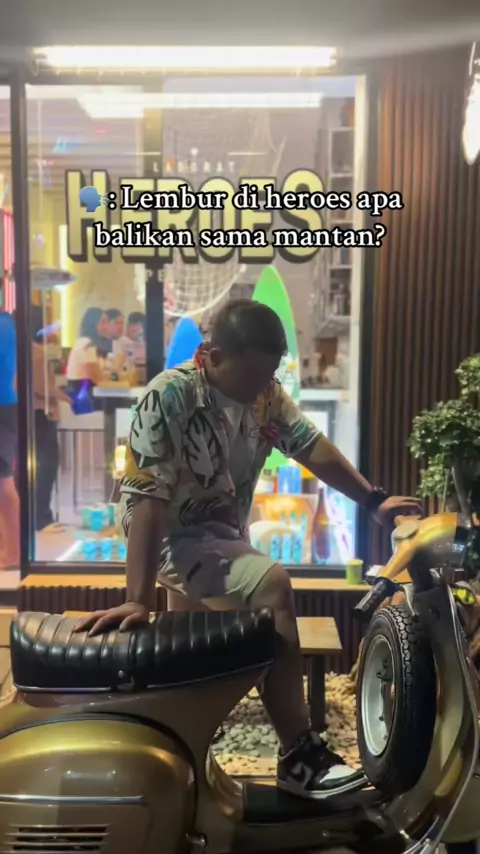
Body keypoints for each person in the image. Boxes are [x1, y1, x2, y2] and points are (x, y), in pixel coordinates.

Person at [76, 299, 422, 799]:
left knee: (192, 658)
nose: (262, 387)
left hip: (223, 533)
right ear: (212, 356)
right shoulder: (167, 397)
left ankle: (183, 762)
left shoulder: (265, 393)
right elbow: (148, 499)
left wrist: (374, 501)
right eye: (253, 376)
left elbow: (309, 445)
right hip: (171, 533)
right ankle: (299, 754)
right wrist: (137, 597)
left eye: (270, 375)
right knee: (271, 585)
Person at [29, 306, 70, 531]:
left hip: (31, 412)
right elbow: (41, 386)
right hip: (42, 412)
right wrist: (62, 395)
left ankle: (35, 512)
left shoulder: (24, 348)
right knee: (47, 464)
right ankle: (41, 514)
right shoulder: (36, 352)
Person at [0, 311, 19, 569]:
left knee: (3, 483)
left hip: (3, 406)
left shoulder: (4, 325)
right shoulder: (7, 324)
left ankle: (13, 552)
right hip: (6, 405)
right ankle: (9, 549)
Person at [66, 307, 109, 392]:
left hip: (79, 391)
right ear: (92, 323)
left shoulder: (82, 341)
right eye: (102, 322)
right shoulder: (88, 345)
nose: (106, 327)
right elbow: (96, 378)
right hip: (84, 393)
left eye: (106, 322)